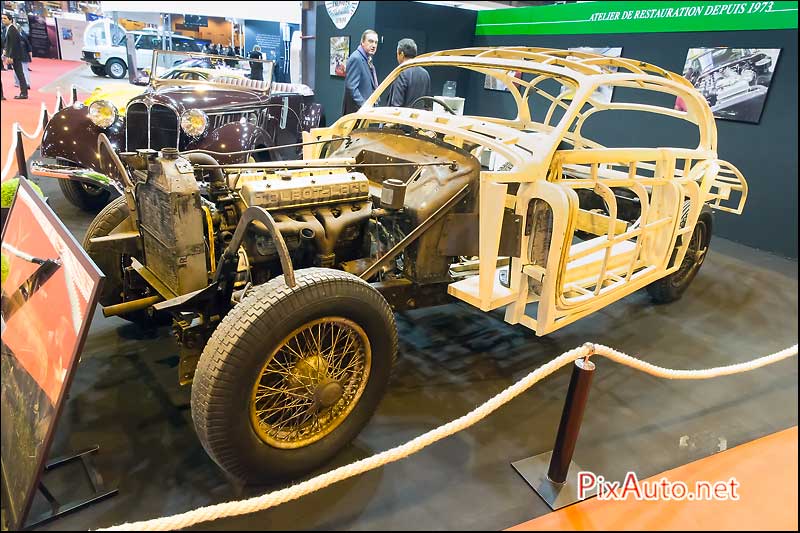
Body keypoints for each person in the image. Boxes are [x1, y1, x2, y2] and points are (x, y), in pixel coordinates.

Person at [386, 38, 430, 109]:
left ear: (402, 54)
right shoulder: (425, 74)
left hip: (403, 118)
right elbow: (427, 104)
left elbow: (396, 105)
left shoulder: (402, 73)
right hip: (419, 118)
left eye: (397, 53)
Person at [342, 29, 379, 115]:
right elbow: (351, 87)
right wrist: (364, 105)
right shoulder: (356, 58)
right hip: (356, 112)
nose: (373, 45)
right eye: (370, 41)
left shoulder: (367, 59)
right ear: (362, 42)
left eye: (376, 42)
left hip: (363, 112)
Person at [2, 13, 28, 99]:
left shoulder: (12, 29)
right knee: (19, 74)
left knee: (19, 74)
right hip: (14, 55)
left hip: (15, 56)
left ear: (10, 20)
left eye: (5, 18)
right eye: (2, 18)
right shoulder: (8, 29)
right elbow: (9, 43)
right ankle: (23, 93)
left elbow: (13, 44)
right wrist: (5, 51)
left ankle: (24, 93)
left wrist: (10, 56)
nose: (3, 20)